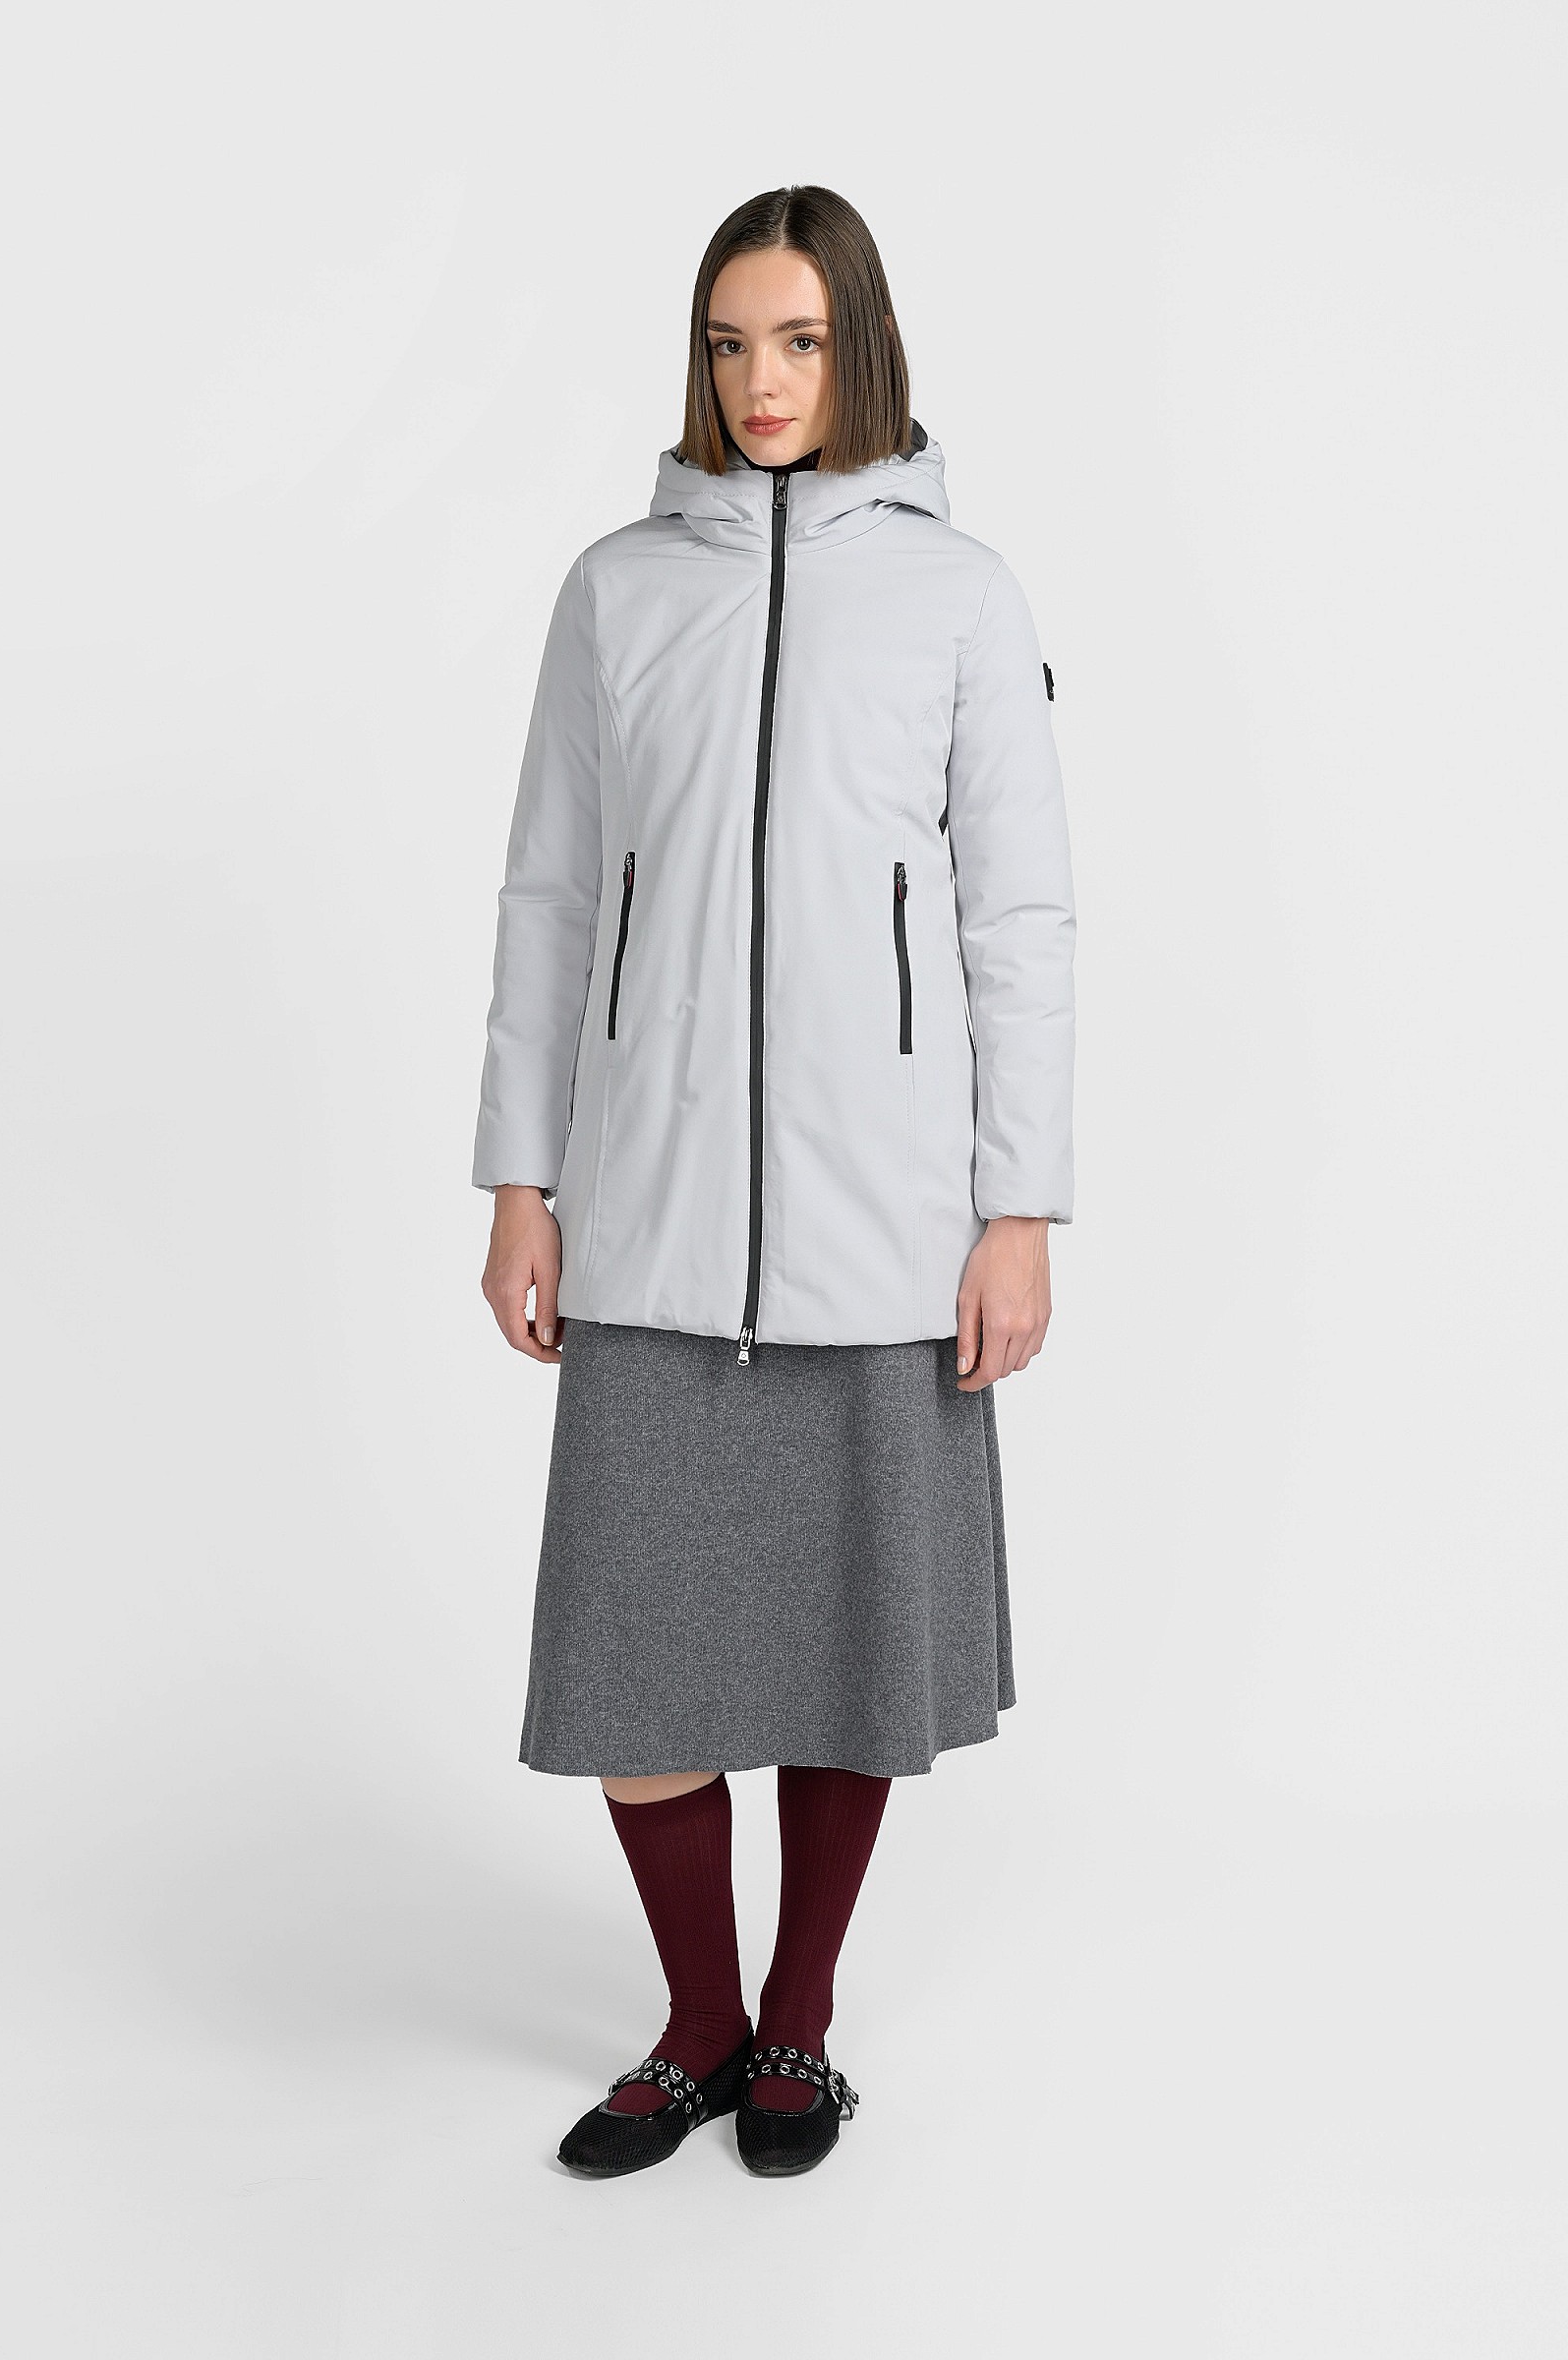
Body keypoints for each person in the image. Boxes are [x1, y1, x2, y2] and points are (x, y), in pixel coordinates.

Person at [474, 184, 1075, 2179]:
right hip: (648, 1215)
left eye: (799, 340)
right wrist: (521, 1180)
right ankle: (696, 2027)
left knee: (843, 1660)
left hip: (885, 1222)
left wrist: (1017, 1210)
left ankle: (797, 2026)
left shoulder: (962, 596)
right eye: (731, 342)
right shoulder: (618, 590)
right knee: (632, 1665)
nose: (761, 380)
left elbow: (1016, 920)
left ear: (860, 345)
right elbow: (552, 894)